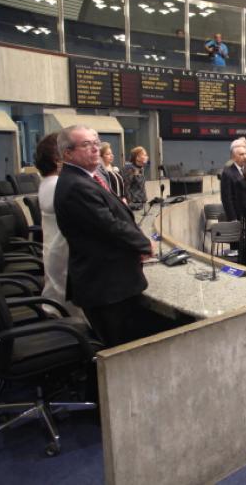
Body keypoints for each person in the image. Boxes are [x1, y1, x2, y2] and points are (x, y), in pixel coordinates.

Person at [54, 125, 153, 347]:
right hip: (106, 286)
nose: (95, 149)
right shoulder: (77, 185)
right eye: (86, 144)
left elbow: (116, 216)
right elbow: (109, 225)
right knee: (122, 350)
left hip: (110, 282)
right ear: (67, 153)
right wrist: (143, 244)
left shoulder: (87, 178)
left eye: (96, 143)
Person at [35, 133, 85, 320]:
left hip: (57, 254)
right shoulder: (60, 185)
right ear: (58, 159)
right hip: (65, 257)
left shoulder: (48, 183)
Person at [220, 142, 246, 221]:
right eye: (241, 154)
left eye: (245, 154)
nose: (245, 157)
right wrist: (233, 218)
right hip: (237, 216)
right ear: (233, 157)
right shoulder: (227, 173)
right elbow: (227, 199)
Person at [122, 146, 148, 210]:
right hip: (134, 205)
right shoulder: (129, 169)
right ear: (137, 157)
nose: (147, 157)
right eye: (144, 155)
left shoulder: (141, 168)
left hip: (141, 203)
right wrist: (130, 203)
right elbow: (126, 187)